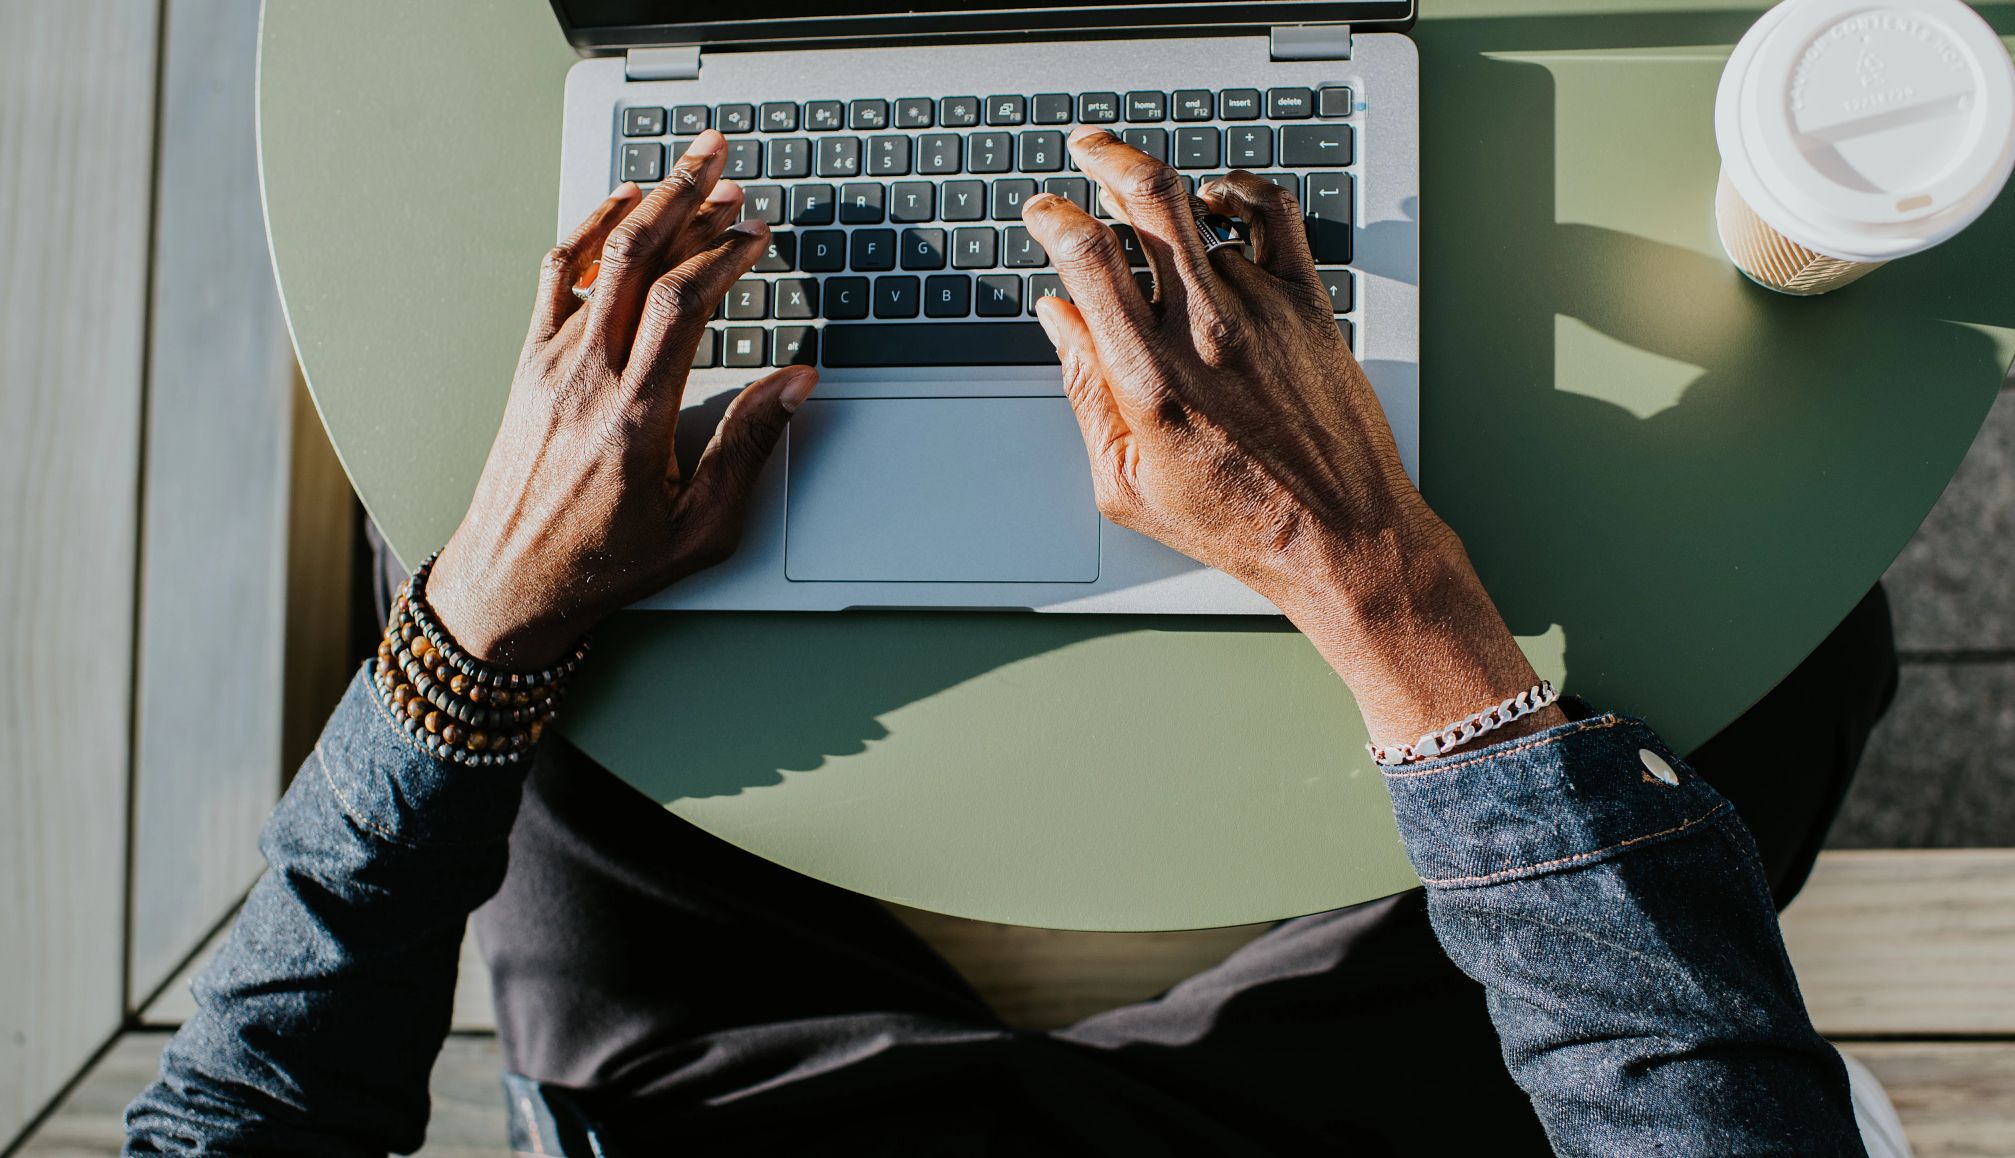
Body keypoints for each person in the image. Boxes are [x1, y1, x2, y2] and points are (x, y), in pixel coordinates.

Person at [125, 128, 1889, 1156]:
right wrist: (1371, 583)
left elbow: (249, 1109)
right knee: (1780, 668)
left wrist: (480, 627)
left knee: (490, 567)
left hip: (713, 1121)